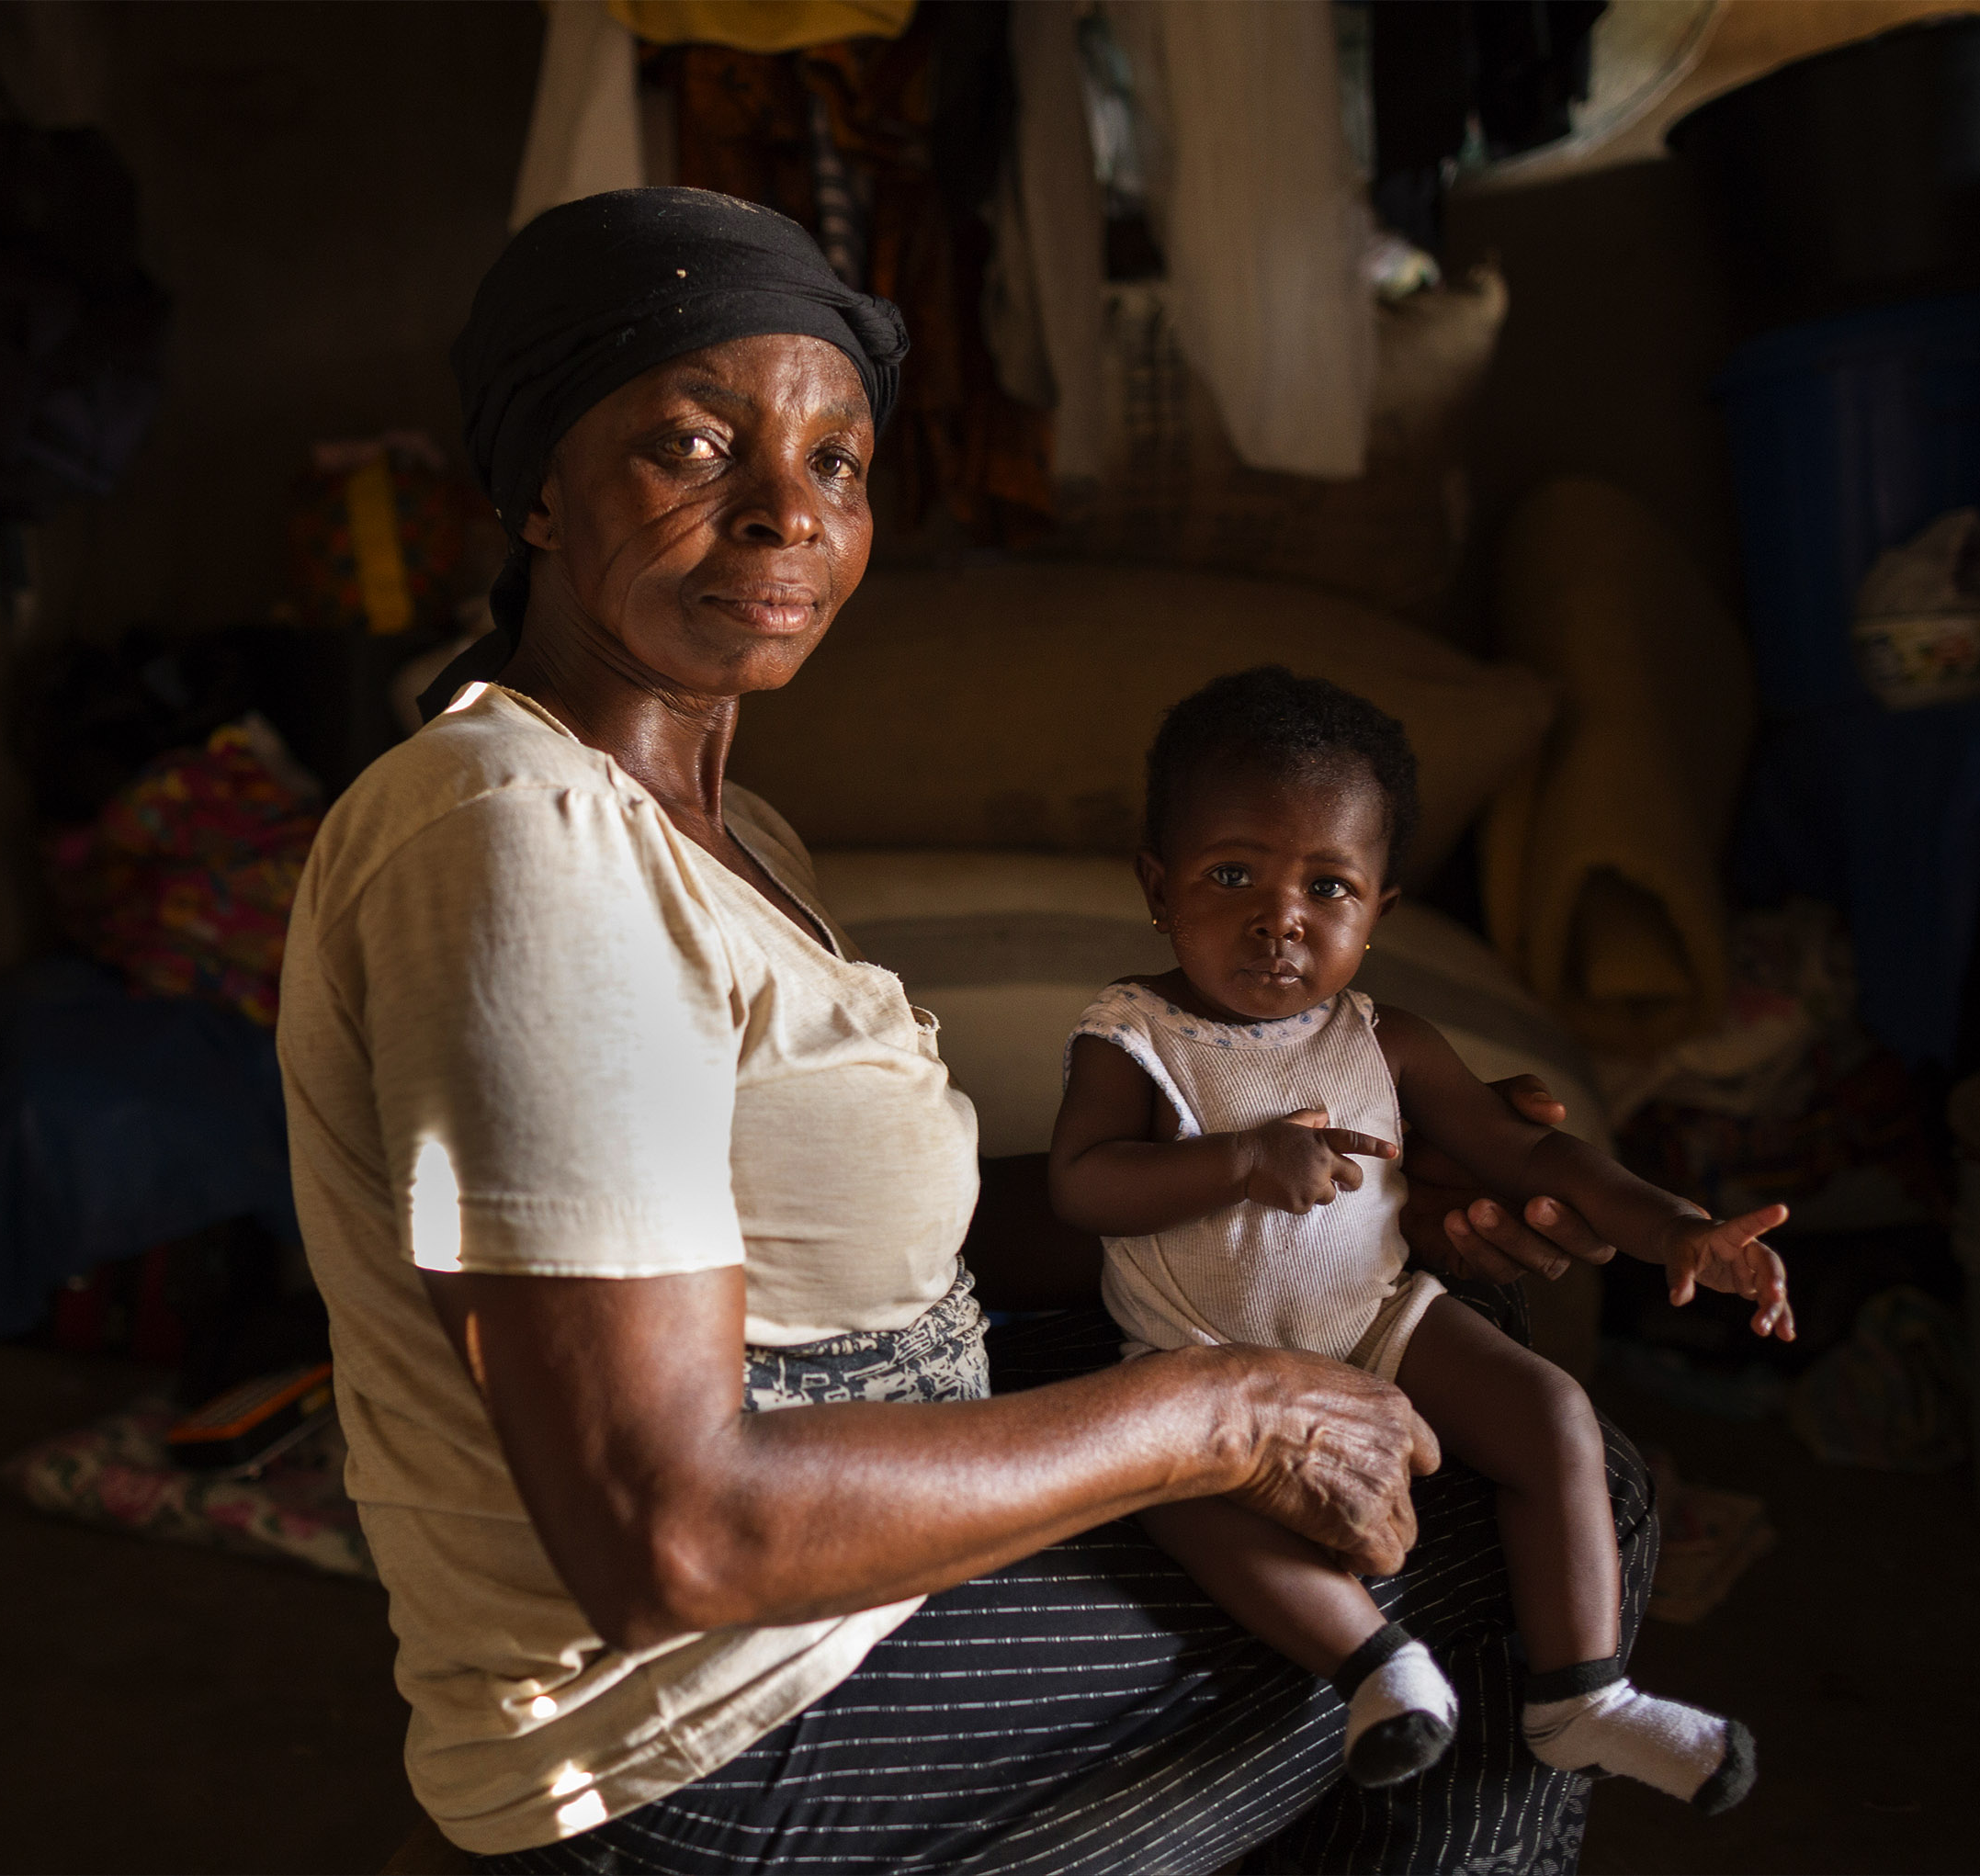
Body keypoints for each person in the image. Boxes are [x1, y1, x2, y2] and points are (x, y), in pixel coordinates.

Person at [279, 186, 1644, 1872]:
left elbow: (897, 1250)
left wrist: (1317, 1212)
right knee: (1524, 1543)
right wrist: (1221, 1411)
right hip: (698, 1740)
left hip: (814, 1594)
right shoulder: (514, 840)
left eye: (834, 462)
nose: (785, 512)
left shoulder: (725, 835)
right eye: (693, 448)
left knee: (1431, 1383)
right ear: (538, 495)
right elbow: (669, 1535)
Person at [1048, 667, 1791, 1815]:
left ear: (1380, 910)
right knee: (1178, 1495)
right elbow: (1084, 1184)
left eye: (1328, 884)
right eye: (1232, 873)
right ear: (1158, 887)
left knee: (1553, 1412)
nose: (1279, 916)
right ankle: (1378, 1668)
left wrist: (1675, 1228)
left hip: (1377, 1320)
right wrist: (1243, 1157)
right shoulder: (1134, 1034)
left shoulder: (1387, 1037)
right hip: (1194, 1358)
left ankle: (1583, 1693)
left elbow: (1534, 1156)